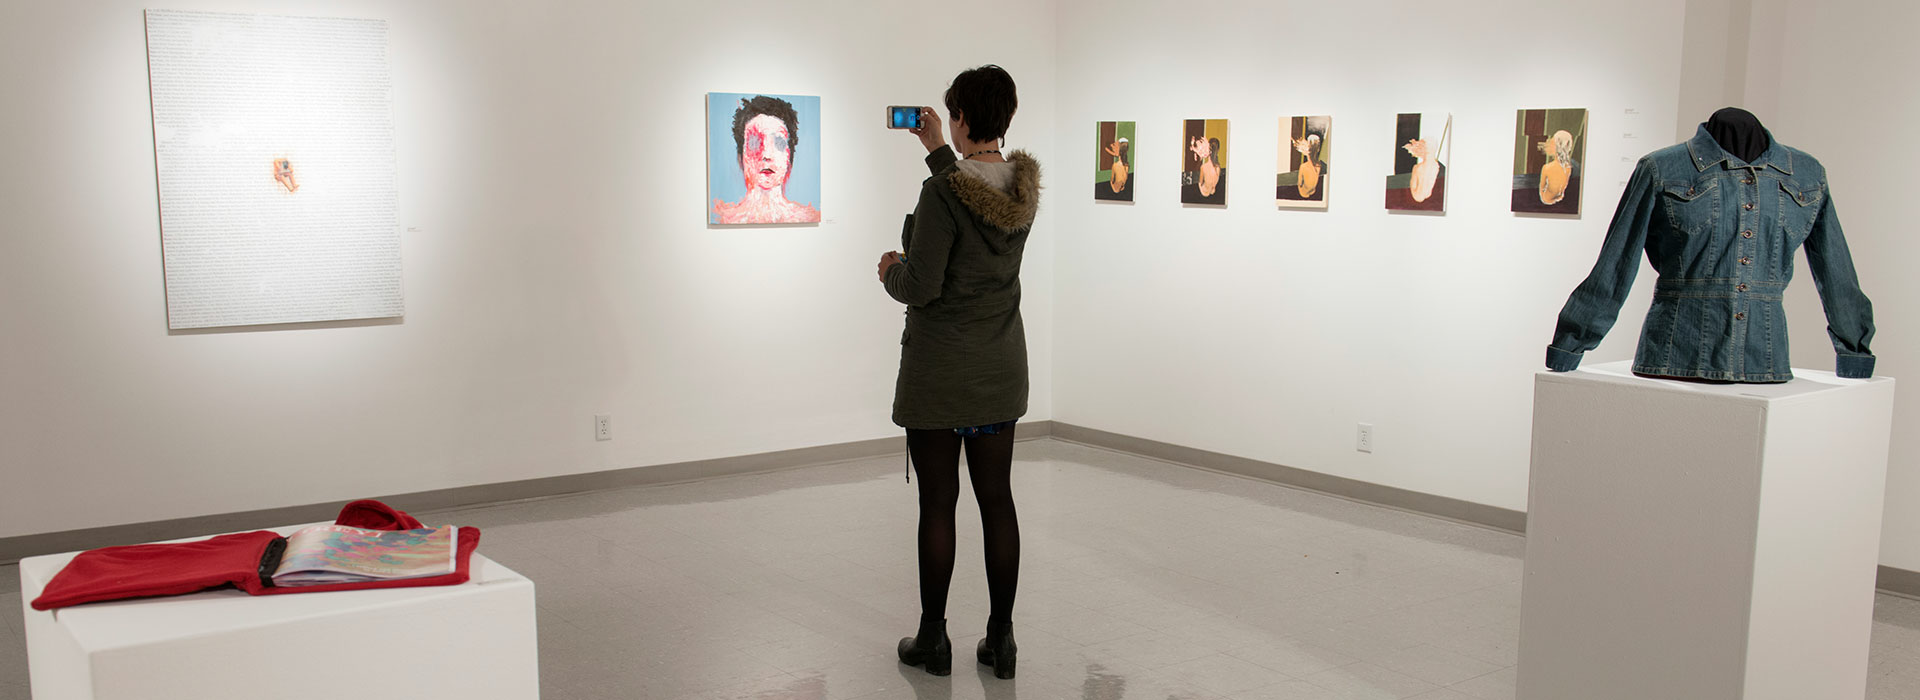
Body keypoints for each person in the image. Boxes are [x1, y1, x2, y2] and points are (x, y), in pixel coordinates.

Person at [876, 64, 1038, 681]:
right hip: (999, 371)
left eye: (954, 115)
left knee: (939, 504)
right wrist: (937, 148)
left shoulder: (939, 193)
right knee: (997, 502)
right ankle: (1002, 641)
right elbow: (976, 203)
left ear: (963, 118)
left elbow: (923, 283)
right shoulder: (1020, 191)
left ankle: (932, 640)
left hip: (942, 374)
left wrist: (891, 268)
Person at [711, 95, 821, 224]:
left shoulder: (808, 218)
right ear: (741, 157)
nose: (766, 155)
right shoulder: (722, 219)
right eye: (754, 142)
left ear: (789, 157)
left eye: (779, 143)